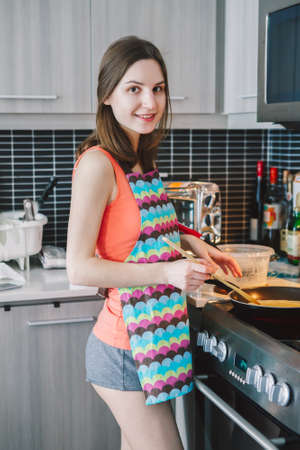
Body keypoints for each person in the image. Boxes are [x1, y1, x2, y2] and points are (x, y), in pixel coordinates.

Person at [66, 35, 242, 450]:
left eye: (158, 89)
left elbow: (137, 228)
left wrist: (193, 242)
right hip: (126, 350)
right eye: (134, 89)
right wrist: (169, 270)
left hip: (151, 343)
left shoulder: (140, 156)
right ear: (107, 95)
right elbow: (80, 267)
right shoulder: (98, 163)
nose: (150, 102)